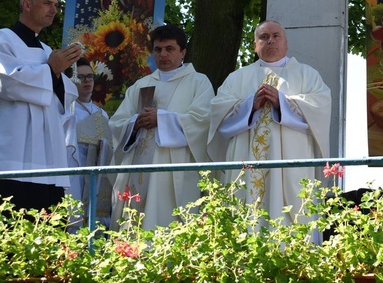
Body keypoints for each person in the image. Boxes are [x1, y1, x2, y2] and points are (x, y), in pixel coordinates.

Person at [208, 21, 331, 224]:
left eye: (276, 36)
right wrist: (251, 105)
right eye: (264, 37)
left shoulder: (307, 74)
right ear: (255, 45)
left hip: (290, 163)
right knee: (244, 210)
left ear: (286, 43)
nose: (270, 40)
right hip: (245, 162)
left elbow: (320, 107)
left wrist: (282, 102)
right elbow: (218, 112)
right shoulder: (237, 77)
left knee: (290, 215)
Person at [109, 25, 214, 230]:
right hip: (139, 164)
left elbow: (203, 121)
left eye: (169, 49)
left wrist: (162, 119)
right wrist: (135, 122)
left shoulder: (199, 82)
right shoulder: (141, 85)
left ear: (182, 52)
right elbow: (117, 123)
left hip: (173, 170)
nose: (163, 54)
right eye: (158, 49)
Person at [0, 0, 83, 211]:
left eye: (55, 4)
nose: (54, 9)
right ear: (27, 5)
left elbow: (66, 94)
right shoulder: (4, 40)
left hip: (48, 151)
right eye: (47, 3)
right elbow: (7, 82)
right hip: (14, 149)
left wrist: (55, 71)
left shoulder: (48, 50)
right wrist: (50, 70)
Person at [64, 58, 113, 228]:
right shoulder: (66, 110)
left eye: (90, 77)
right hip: (73, 170)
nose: (87, 81)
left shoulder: (102, 114)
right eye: (81, 77)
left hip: (96, 173)